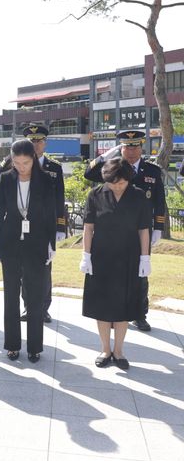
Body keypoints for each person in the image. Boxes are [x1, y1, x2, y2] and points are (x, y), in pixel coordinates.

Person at [85, 130, 166, 331]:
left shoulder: (152, 171)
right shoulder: (112, 167)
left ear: (141, 147)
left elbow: (160, 201)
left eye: (135, 146)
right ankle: (113, 312)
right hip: (111, 233)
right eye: (126, 147)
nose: (131, 151)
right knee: (113, 274)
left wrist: (158, 227)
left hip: (139, 232)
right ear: (120, 148)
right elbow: (89, 173)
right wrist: (105, 156)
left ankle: (139, 313)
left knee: (140, 274)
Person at [80, 158, 151, 370]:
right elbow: (88, 228)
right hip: (101, 256)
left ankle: (118, 351)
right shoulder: (96, 195)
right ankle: (105, 349)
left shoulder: (138, 196)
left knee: (123, 305)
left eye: (121, 183)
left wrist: (145, 258)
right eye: (113, 183)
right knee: (102, 304)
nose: (117, 186)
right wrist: (86, 255)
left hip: (129, 257)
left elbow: (143, 230)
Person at [0, 139, 56, 362]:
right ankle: (12, 344)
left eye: (26, 162)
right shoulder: (6, 179)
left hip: (37, 243)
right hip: (10, 243)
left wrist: (51, 244)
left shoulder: (46, 180)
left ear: (33, 160)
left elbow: (50, 213)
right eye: (17, 162)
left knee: (35, 298)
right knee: (10, 296)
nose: (21, 167)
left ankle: (35, 347)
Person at [20, 125, 66, 324]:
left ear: (45, 143)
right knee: (24, 269)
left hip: (45, 227)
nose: (35, 144)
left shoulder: (54, 168)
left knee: (44, 268)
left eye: (38, 141)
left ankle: (44, 308)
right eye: (31, 141)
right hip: (22, 225)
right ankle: (28, 306)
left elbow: (59, 199)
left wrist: (60, 227)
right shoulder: (17, 164)